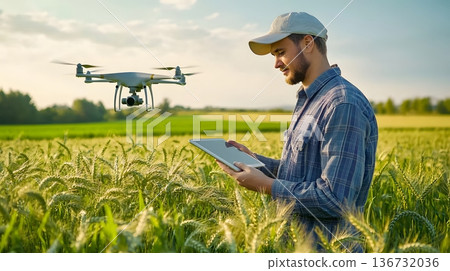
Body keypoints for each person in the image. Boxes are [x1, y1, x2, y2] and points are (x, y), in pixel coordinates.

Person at [217, 12, 378, 251]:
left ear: (308, 43)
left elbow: (336, 199)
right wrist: (256, 163)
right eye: (274, 55)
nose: (276, 63)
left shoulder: (342, 104)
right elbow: (305, 171)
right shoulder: (310, 99)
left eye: (280, 52)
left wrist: (266, 186)